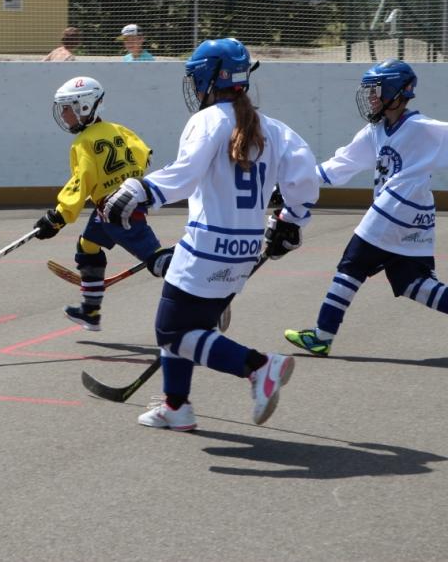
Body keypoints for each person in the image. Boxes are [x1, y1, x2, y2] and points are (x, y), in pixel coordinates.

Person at [102, 38, 320, 430]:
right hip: (245, 249)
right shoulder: (274, 129)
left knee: (171, 331)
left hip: (205, 246)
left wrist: (140, 190)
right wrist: (292, 220)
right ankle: (176, 407)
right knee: (190, 327)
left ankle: (258, 366)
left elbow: (184, 176)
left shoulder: (208, 120)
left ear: (208, 77)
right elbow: (304, 180)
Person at [285, 60, 448, 356]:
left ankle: (322, 336)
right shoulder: (376, 130)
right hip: (414, 216)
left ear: (396, 91)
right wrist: (299, 182)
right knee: (413, 283)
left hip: (393, 210)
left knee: (352, 265)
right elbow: (341, 165)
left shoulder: (422, 128)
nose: (371, 97)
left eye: (376, 90)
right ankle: (322, 336)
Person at [32, 76, 173, 332]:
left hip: (116, 212)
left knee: (157, 260)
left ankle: (201, 294)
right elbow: (144, 156)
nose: (63, 115)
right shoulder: (119, 130)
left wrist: (58, 217)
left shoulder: (82, 142)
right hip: (122, 202)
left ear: (84, 107)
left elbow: (81, 182)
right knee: (87, 245)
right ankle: (90, 311)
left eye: (67, 108)